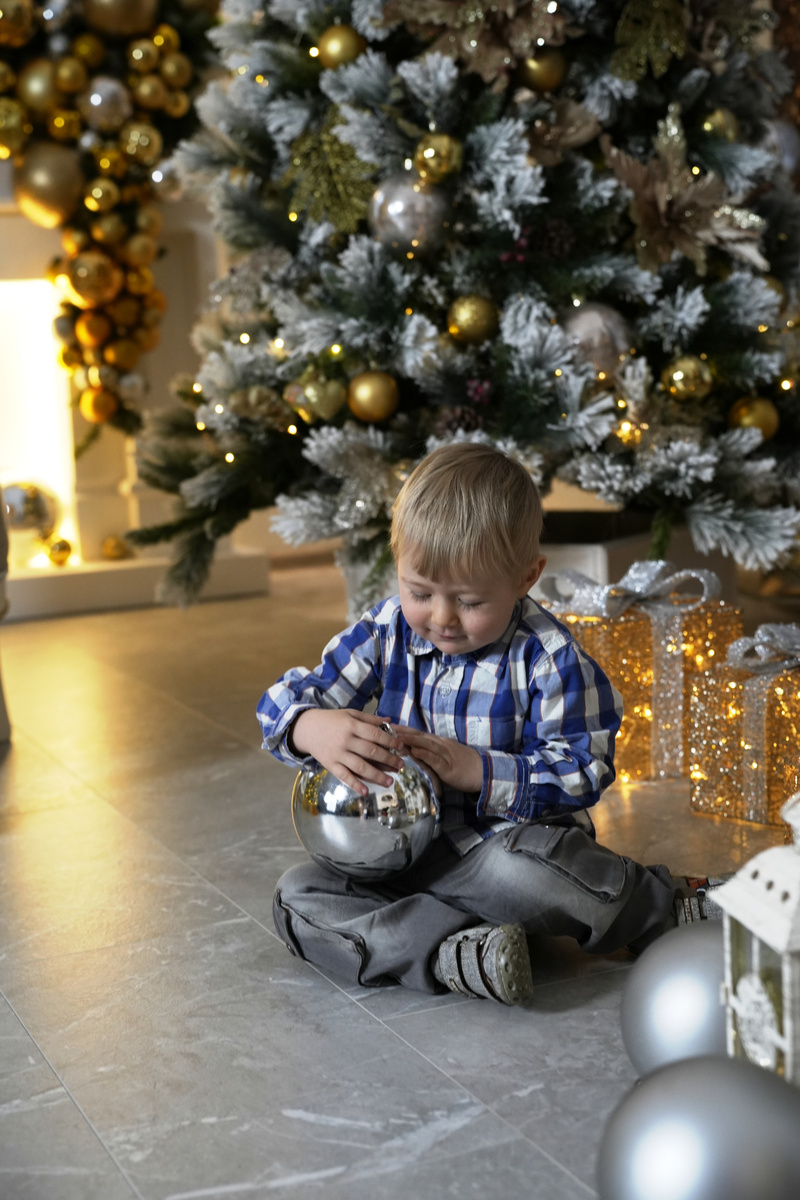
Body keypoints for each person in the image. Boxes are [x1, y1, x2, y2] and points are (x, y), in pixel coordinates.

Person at [257, 443, 715, 1007]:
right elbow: (281, 702)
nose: (441, 617)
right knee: (297, 896)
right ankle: (456, 950)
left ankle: (662, 905)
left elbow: (584, 769)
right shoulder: (386, 630)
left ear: (527, 577)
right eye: (419, 592)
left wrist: (478, 770)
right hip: (388, 856)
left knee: (531, 874)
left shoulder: (549, 657)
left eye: (470, 601)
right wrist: (310, 726)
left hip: (494, 851)